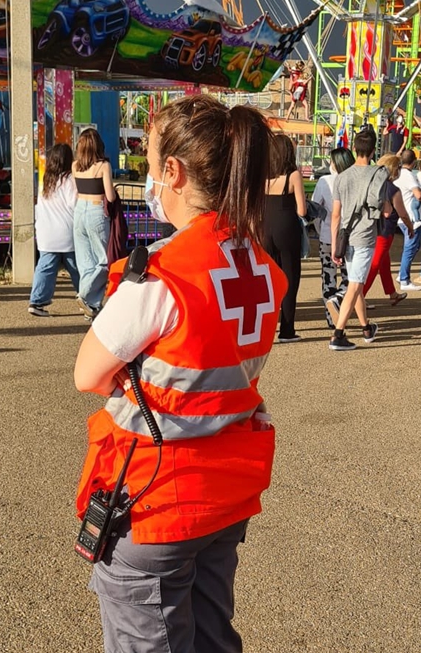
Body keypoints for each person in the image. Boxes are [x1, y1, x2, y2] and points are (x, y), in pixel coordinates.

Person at [72, 95, 286, 653]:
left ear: (174, 172)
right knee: (214, 635)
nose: (147, 180)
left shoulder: (165, 275)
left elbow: (88, 374)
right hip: (226, 492)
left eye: (149, 166)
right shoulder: (261, 268)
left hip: (156, 498)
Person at [329, 127, 392, 351]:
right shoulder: (378, 175)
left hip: (346, 236)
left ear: (354, 148)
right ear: (374, 150)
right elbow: (385, 212)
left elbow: (335, 214)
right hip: (365, 236)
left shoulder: (341, 177)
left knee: (355, 281)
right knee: (355, 285)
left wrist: (335, 245)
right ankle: (338, 334)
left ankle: (366, 328)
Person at [262, 134, 307, 343]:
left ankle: (265, 328)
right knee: (290, 277)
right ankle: (287, 329)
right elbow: (302, 209)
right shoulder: (293, 175)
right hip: (286, 226)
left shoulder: (263, 175)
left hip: (264, 227)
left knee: (268, 278)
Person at [28, 143, 80, 317]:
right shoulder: (69, 180)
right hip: (66, 233)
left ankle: (37, 300)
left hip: (46, 233)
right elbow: (74, 205)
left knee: (45, 268)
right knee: (77, 268)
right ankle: (89, 300)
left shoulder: (45, 180)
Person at [72, 128, 117, 320]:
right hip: (96, 210)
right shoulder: (103, 166)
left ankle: (92, 307)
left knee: (85, 263)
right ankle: (85, 296)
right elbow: (110, 196)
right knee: (104, 260)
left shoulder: (75, 166)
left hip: (79, 211)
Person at [364, 154, 411, 306]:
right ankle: (359, 296)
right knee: (376, 264)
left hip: (371, 227)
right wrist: (410, 227)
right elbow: (402, 213)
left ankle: (392, 292)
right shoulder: (393, 189)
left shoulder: (372, 183)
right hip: (385, 230)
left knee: (384, 262)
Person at [312, 148, 351, 327]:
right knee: (350, 278)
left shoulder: (324, 181)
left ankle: (330, 316)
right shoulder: (352, 181)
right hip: (350, 237)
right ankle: (339, 302)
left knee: (328, 276)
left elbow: (315, 209)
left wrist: (320, 230)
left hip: (327, 235)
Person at [394, 150, 421, 291]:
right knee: (411, 247)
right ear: (414, 162)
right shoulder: (408, 175)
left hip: (402, 214)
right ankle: (404, 279)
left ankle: (402, 273)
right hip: (411, 217)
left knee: (414, 246)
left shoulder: (397, 174)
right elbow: (419, 195)